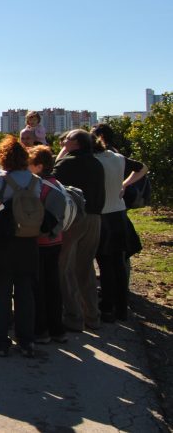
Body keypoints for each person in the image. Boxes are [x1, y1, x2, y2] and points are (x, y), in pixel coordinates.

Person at [0, 136, 61, 358]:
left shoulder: (1, 180)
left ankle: (0, 342)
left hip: (4, 244)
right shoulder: (35, 181)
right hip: (28, 243)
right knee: (25, 293)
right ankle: (27, 341)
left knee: (2, 294)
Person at [90, 123, 148, 322]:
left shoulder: (93, 161)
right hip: (119, 214)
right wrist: (124, 184)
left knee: (105, 265)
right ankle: (121, 308)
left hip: (103, 215)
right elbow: (142, 168)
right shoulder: (118, 157)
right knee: (119, 263)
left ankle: (107, 307)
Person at [53, 129, 106, 331]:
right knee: (85, 268)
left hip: (74, 219)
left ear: (76, 143)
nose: (63, 142)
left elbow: (50, 179)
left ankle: (73, 317)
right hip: (95, 219)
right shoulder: (96, 163)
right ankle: (92, 315)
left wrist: (62, 154)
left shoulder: (68, 163)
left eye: (67, 140)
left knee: (65, 268)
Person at [28, 145, 68, 344]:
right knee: (53, 285)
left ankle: (41, 330)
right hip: (56, 240)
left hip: (39, 241)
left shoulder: (38, 187)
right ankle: (57, 329)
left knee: (39, 287)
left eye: (30, 163)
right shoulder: (58, 184)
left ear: (38, 166)